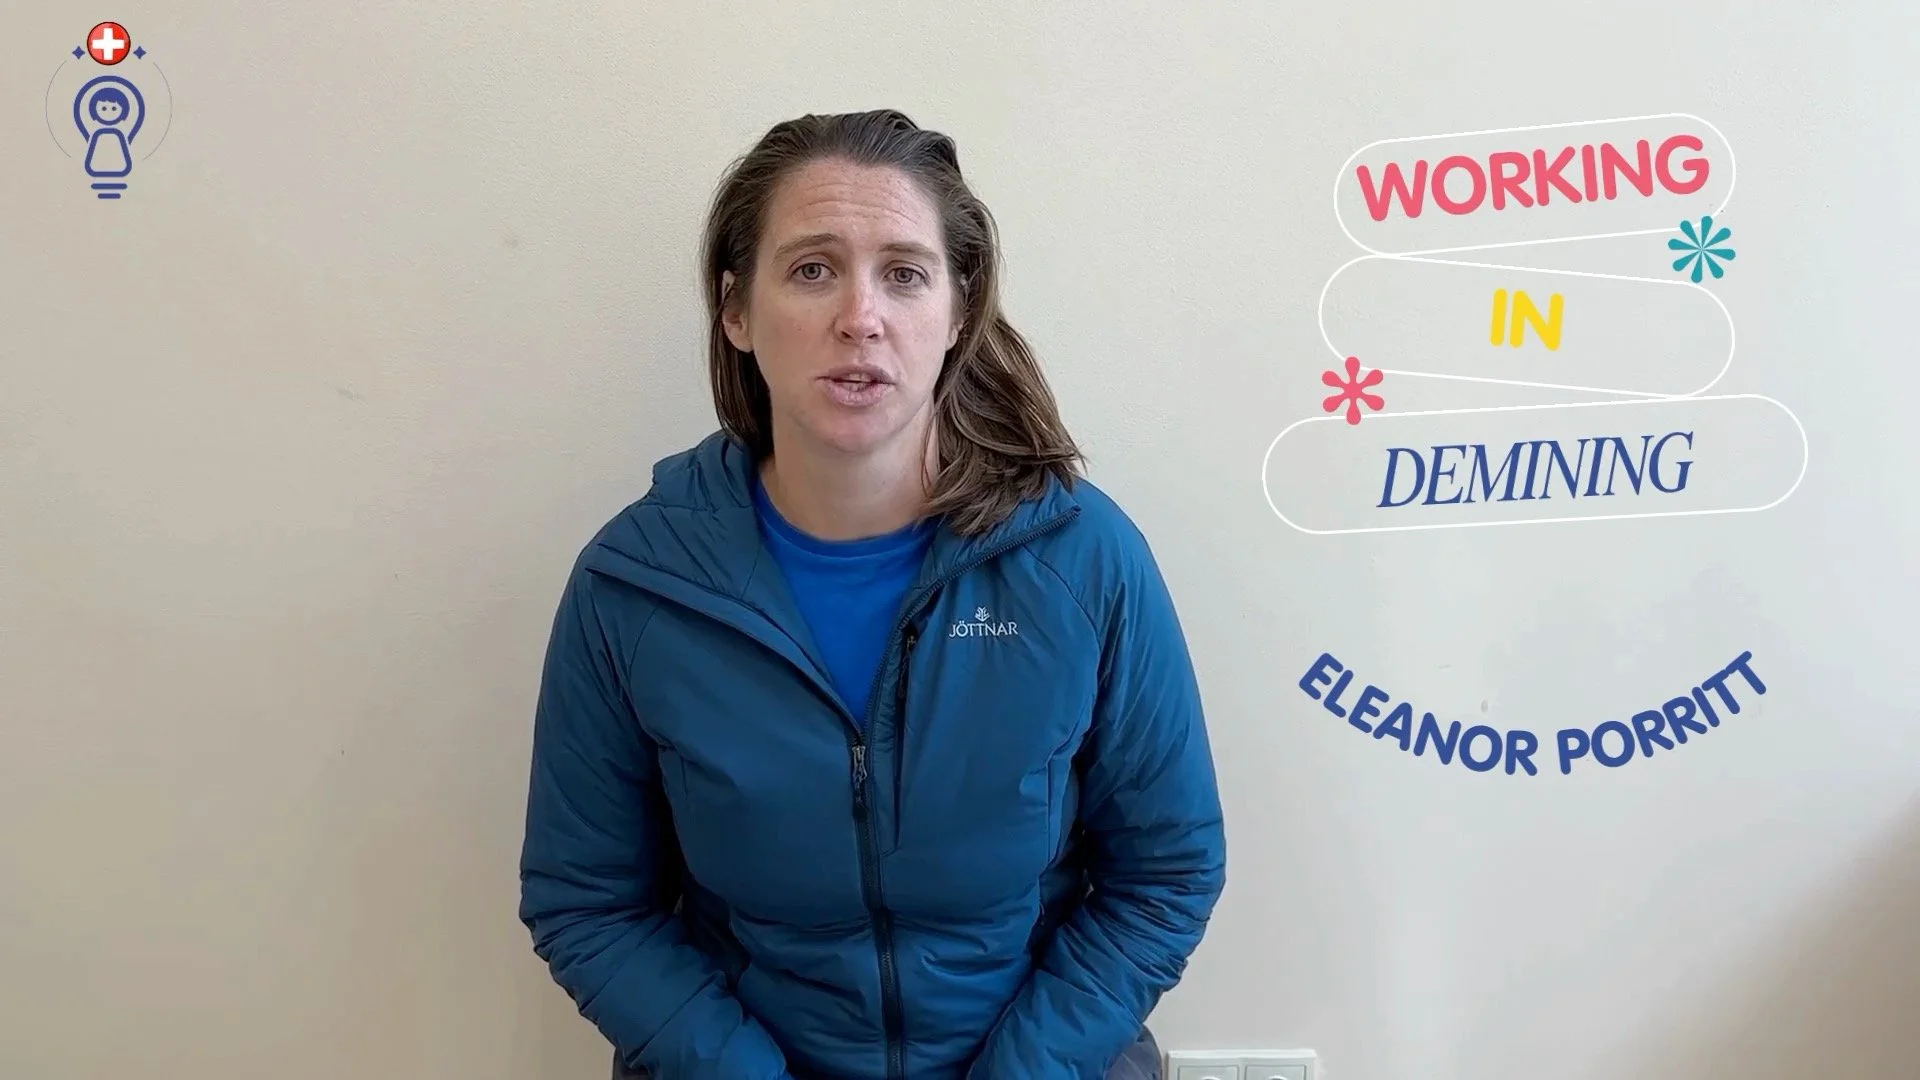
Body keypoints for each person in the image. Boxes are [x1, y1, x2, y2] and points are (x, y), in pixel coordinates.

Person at [517, 108, 1227, 1080]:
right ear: (735, 310)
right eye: (813, 269)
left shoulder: (1083, 561)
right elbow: (588, 901)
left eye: (904, 273)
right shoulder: (635, 587)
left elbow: (1167, 871)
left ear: (958, 311)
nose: (861, 317)